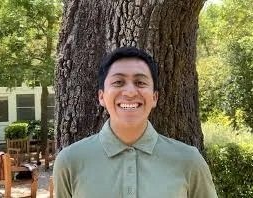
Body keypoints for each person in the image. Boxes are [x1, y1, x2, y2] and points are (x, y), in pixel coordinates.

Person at [53, 47, 218, 198]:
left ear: (154, 97)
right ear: (101, 96)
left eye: (140, 82)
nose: (130, 92)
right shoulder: (70, 161)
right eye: (118, 82)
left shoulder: (189, 161)